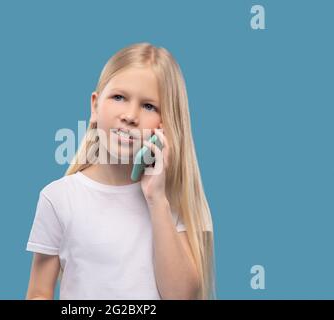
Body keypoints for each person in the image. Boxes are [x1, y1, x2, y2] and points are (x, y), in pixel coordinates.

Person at [25, 42, 215, 300]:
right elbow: (39, 293)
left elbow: (181, 296)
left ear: (167, 124)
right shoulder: (58, 198)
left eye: (149, 106)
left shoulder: (170, 200)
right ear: (95, 106)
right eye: (119, 97)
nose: (130, 115)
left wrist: (156, 199)